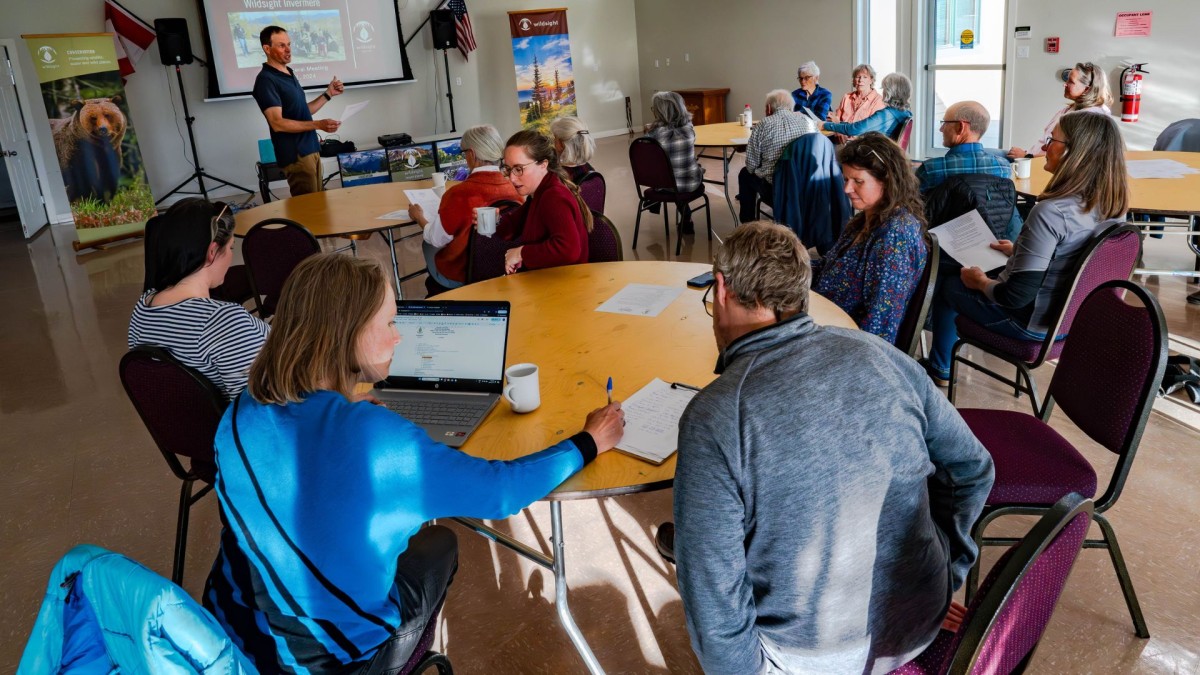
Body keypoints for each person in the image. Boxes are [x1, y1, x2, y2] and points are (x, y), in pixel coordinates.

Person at [204, 253, 625, 673]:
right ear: (347, 334)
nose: (399, 337)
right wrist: (588, 441)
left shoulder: (238, 414)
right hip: (333, 662)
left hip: (235, 635)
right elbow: (502, 492)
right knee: (440, 542)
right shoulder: (379, 439)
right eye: (388, 323)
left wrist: (338, 402)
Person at [665, 221, 994, 674]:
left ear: (720, 290)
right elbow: (973, 469)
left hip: (816, 659)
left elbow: (713, 595)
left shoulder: (714, 417)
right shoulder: (884, 356)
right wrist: (942, 568)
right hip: (922, 618)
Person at [924, 112, 1129, 385]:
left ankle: (941, 370)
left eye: (1051, 141)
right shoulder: (1115, 207)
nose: (1043, 148)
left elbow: (1014, 295)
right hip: (1073, 322)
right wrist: (1018, 249)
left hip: (1030, 326)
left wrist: (980, 281)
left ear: (1073, 153)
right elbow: (1072, 259)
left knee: (949, 284)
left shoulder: (1051, 212)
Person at [128, 198, 269, 400]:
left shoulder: (143, 308)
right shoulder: (225, 322)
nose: (230, 256)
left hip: (190, 427)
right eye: (230, 248)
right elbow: (257, 406)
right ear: (212, 252)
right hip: (246, 427)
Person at [812, 132, 927, 344]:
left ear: (887, 181)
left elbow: (881, 323)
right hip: (825, 320)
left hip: (845, 341)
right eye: (846, 179)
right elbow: (832, 266)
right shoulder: (864, 220)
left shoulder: (894, 236)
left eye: (858, 181)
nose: (847, 189)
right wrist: (788, 263)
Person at [408, 124, 521, 290]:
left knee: (428, 241)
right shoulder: (515, 189)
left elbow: (436, 239)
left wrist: (419, 217)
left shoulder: (458, 194)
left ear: (471, 154)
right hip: (502, 269)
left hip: (462, 274)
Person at [253, 25, 344, 197]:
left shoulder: (288, 73)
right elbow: (277, 123)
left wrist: (328, 94)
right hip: (297, 155)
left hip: (311, 149)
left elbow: (302, 111)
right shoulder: (266, 80)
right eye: (281, 45)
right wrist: (318, 125)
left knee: (319, 204)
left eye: (289, 44)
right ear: (267, 48)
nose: (288, 50)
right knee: (307, 210)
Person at [495, 130, 592, 274]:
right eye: (508, 170)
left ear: (543, 164)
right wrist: (493, 219)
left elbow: (569, 250)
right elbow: (509, 229)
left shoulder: (553, 197)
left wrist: (521, 253)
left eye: (519, 169)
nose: (512, 178)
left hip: (565, 286)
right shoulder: (539, 193)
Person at [737, 89, 819, 223]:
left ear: (769, 108)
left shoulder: (764, 124)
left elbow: (751, 165)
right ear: (791, 107)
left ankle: (748, 224)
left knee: (745, 174)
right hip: (807, 186)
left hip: (778, 191)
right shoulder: (808, 121)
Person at [1008, 61, 1112, 159]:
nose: (1065, 84)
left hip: (1034, 163)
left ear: (1087, 89)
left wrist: (1026, 157)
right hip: (1030, 157)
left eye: (1071, 82)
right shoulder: (1070, 109)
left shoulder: (1089, 118)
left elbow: (1066, 156)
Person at [916, 101, 1013, 192]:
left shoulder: (930, 169)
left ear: (960, 127)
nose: (941, 129)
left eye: (945, 122)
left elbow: (912, 206)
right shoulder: (1004, 167)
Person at [645, 91, 705, 231]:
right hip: (690, 183)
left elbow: (648, 160)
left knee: (668, 175)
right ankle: (686, 218)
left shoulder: (653, 135)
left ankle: (654, 201)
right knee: (689, 170)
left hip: (664, 186)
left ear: (660, 112)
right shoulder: (689, 130)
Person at [820, 72, 913, 141]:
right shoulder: (903, 113)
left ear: (890, 92)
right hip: (885, 154)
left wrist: (825, 125)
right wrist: (837, 124)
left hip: (872, 155)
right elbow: (856, 126)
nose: (883, 92)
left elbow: (854, 129)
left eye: (884, 89)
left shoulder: (886, 114)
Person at [828, 63, 886, 143]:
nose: (860, 80)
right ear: (854, 80)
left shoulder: (878, 101)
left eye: (865, 77)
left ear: (871, 80)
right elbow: (836, 119)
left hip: (863, 142)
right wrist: (839, 131)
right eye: (858, 77)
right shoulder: (847, 97)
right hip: (840, 140)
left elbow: (873, 129)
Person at [550, 116, 596, 184]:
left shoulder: (559, 179)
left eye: (555, 137)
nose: (553, 141)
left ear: (562, 144)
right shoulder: (590, 169)